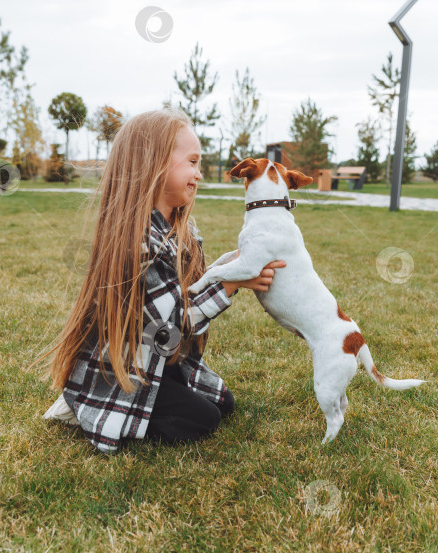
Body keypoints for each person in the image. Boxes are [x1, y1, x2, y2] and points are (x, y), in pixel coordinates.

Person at [36, 108, 286, 456]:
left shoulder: (180, 231)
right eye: (193, 162)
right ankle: (88, 407)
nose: (199, 174)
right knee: (203, 420)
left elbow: (186, 295)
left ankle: (144, 399)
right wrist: (232, 284)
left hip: (158, 359)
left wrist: (232, 265)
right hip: (125, 368)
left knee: (224, 403)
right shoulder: (138, 242)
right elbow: (172, 325)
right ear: (154, 164)